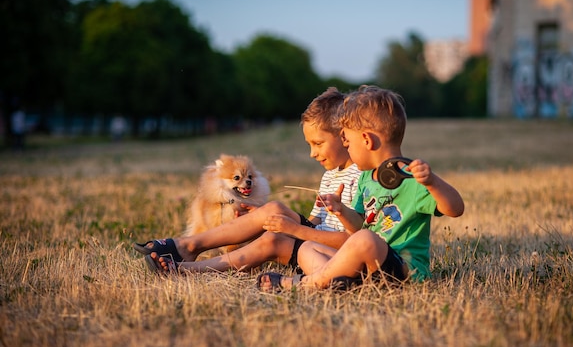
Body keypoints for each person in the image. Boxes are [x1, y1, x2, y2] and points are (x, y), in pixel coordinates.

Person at [257, 85, 465, 292]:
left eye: (348, 143)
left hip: (403, 270)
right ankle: (344, 283)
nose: (346, 148)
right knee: (307, 249)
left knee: (365, 239)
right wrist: (341, 210)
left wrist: (432, 182)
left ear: (366, 140)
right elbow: (357, 226)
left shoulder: (412, 179)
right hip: (368, 264)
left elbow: (456, 209)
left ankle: (303, 283)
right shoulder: (366, 177)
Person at [135, 87, 361, 274]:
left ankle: (188, 269)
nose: (312, 153)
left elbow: (354, 240)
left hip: (328, 254)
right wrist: (270, 224)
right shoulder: (331, 174)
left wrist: (292, 230)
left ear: (344, 137)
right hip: (314, 239)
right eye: (309, 145)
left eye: (318, 144)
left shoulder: (362, 178)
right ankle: (188, 245)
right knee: (272, 209)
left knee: (270, 241)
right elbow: (315, 221)